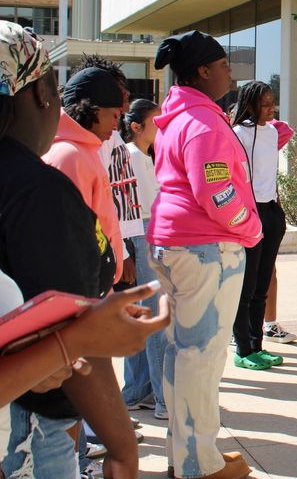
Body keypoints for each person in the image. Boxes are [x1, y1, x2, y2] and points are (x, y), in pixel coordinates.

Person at [0, 20, 169, 477]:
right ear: (40, 96)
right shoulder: (39, 186)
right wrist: (119, 443)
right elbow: (68, 319)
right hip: (37, 416)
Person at [149, 30, 261, 479]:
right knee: (203, 358)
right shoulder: (203, 123)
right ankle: (199, 465)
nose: (230, 72)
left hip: (179, 243)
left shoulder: (180, 118)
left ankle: (187, 458)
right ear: (202, 70)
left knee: (184, 354)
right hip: (205, 248)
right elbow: (220, 193)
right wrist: (252, 228)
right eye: (223, 64)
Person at [43, 66, 127, 287]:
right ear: (96, 111)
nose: (116, 125)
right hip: (82, 293)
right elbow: (72, 239)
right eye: (115, 115)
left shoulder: (79, 151)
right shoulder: (70, 156)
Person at [230, 81, 292, 370]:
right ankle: (243, 348)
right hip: (248, 213)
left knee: (262, 284)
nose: (271, 108)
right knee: (247, 284)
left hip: (271, 212)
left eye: (272, 103)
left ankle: (257, 344)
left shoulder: (272, 133)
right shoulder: (238, 134)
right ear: (251, 104)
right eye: (265, 104)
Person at [117, 99, 169, 420]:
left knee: (141, 317)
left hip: (147, 232)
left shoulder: (144, 156)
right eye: (155, 121)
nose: (160, 126)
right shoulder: (131, 155)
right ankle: (164, 398)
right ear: (136, 126)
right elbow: (126, 206)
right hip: (141, 232)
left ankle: (138, 392)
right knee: (153, 320)